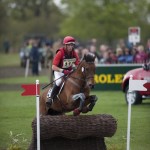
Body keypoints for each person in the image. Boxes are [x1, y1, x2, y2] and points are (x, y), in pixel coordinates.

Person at [46, 36, 80, 107]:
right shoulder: (60, 53)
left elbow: (78, 64)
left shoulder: (74, 53)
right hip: (59, 71)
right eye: (69, 45)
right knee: (58, 82)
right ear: (65, 45)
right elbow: (53, 67)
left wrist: (75, 68)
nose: (71, 47)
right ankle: (50, 97)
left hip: (69, 71)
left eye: (72, 45)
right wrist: (63, 71)